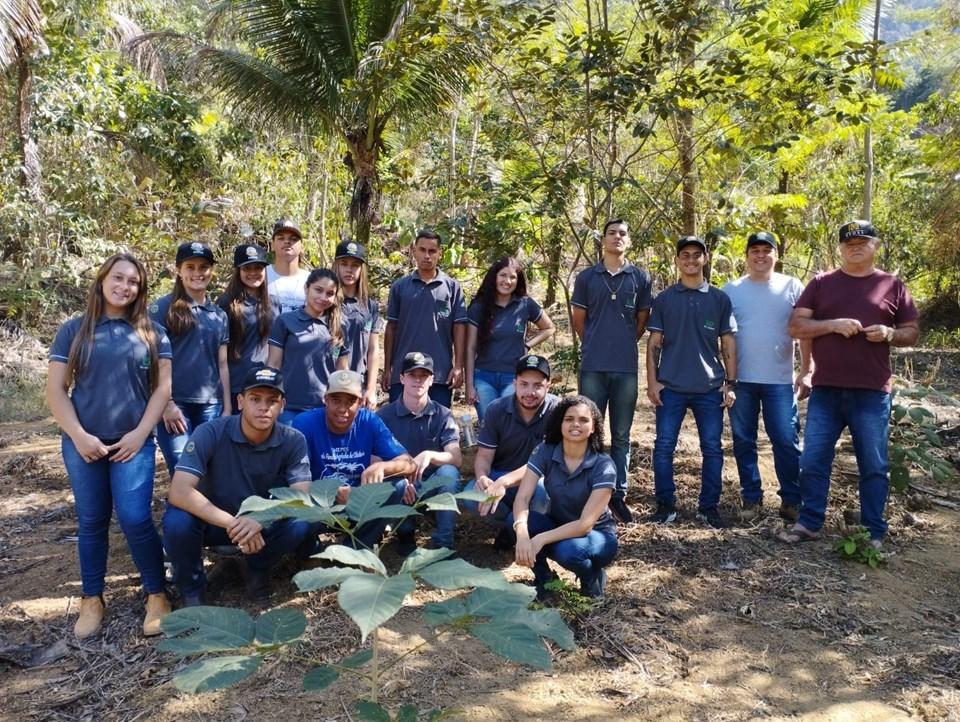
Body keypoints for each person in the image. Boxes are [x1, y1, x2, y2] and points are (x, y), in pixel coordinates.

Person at [47, 252, 172, 639]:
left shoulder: (153, 332)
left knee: (135, 518)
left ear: (141, 289)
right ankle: (91, 599)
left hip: (132, 444)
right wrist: (80, 436)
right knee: (91, 520)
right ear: (102, 281)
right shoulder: (74, 330)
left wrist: (140, 434)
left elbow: (163, 388)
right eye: (118, 278)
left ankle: (157, 595)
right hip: (83, 444)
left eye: (133, 282)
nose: (124, 287)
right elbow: (55, 390)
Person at [780, 220, 919, 548]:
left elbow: (911, 331)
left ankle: (873, 531)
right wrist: (832, 325)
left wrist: (889, 334)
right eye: (848, 242)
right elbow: (796, 326)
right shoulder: (822, 283)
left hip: (872, 391)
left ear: (876, 245)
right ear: (841, 248)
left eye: (863, 241)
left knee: (873, 464)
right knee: (813, 459)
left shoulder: (892, 285)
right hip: (827, 389)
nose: (855, 246)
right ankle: (810, 521)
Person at [163, 367, 320, 604]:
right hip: (213, 521)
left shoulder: (292, 440)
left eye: (272, 400)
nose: (263, 407)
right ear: (240, 401)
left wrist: (261, 519)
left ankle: (256, 566)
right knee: (177, 522)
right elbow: (179, 491)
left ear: (282, 405)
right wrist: (233, 523)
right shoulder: (211, 432)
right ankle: (192, 589)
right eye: (255, 399)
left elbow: (302, 494)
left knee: (302, 520)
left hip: (260, 523)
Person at [646, 235, 737, 529]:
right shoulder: (665, 299)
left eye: (696, 255)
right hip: (670, 387)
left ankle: (708, 507)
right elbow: (654, 342)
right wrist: (652, 381)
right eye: (684, 255)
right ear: (677, 261)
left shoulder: (719, 299)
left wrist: (731, 383)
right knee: (663, 448)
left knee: (712, 448)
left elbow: (727, 343)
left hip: (710, 389)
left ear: (705, 259)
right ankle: (665, 505)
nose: (690, 260)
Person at [722, 232, 810, 522]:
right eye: (755, 251)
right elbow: (721, 337)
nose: (760, 256)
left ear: (776, 255)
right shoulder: (731, 290)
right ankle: (751, 498)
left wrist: (807, 370)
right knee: (743, 439)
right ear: (746, 256)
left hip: (780, 380)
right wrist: (725, 377)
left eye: (766, 250)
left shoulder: (792, 286)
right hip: (741, 380)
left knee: (785, 439)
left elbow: (805, 330)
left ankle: (792, 500)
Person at [572, 219, 653, 524]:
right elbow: (580, 321)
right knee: (590, 431)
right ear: (602, 240)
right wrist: (596, 343)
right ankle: (587, 491)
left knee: (621, 435)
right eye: (612, 233)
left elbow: (641, 322)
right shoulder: (587, 278)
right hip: (593, 366)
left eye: (622, 233)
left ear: (628, 241)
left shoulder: (640, 278)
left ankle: (617, 495)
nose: (617, 237)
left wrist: (620, 342)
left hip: (625, 369)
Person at [293, 370, 417, 549]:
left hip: (360, 502)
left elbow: (409, 463)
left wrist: (383, 467)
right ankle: (309, 550)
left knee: (398, 485)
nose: (343, 409)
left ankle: (355, 548)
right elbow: (295, 479)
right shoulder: (305, 424)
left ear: (360, 403)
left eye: (350, 401)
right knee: (294, 509)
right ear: (325, 399)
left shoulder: (369, 422)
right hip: (319, 502)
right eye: (336, 400)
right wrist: (332, 493)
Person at [512, 395, 618, 600]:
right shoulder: (544, 451)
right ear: (560, 423)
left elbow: (585, 525)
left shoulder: (604, 465)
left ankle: (591, 579)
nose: (575, 424)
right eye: (569, 419)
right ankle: (544, 580)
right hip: (558, 523)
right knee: (515, 521)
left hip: (596, 535)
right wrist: (523, 533)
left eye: (584, 420)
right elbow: (522, 498)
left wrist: (540, 539)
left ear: (594, 427)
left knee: (569, 551)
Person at [151, 242, 231, 473]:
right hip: (176, 405)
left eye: (203, 267)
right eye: (190, 267)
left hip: (211, 405)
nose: (197, 273)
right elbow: (153, 360)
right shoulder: (162, 308)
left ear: (211, 271)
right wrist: (166, 405)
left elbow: (223, 364)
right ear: (179, 270)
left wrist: (226, 408)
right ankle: (182, 510)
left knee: (209, 467)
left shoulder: (218, 315)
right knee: (181, 468)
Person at [462, 355, 558, 541]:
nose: (530, 392)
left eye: (537, 385)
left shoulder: (557, 412)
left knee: (538, 488)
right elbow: (484, 456)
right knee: (472, 495)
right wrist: (482, 476)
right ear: (514, 383)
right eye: (524, 384)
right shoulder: (496, 409)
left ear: (549, 385)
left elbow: (542, 463)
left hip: (539, 478)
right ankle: (509, 527)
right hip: (501, 475)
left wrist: (504, 481)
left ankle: (530, 529)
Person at [377, 352, 462, 554]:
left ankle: (444, 541)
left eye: (423, 375)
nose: (418, 380)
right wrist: (399, 477)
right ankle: (405, 533)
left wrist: (430, 455)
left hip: (430, 483)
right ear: (402, 378)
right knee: (394, 486)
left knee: (449, 473)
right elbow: (375, 461)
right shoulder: (383, 416)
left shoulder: (443, 414)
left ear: (432, 380)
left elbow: (456, 457)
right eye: (412, 374)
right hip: (397, 485)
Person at [381, 230, 468, 408]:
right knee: (401, 425)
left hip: (440, 373)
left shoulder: (452, 287)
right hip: (403, 372)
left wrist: (458, 366)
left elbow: (459, 327)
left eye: (432, 251)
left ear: (440, 253)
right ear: (414, 251)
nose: (427, 256)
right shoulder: (400, 287)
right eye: (422, 250)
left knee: (437, 426)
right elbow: (391, 328)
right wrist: (388, 368)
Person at [465, 256, 555, 421]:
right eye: (503, 275)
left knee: (511, 422)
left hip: (513, 377)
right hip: (483, 376)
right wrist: (469, 385)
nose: (507, 281)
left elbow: (549, 328)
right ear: (494, 277)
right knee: (489, 423)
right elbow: (470, 348)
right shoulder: (479, 306)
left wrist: (527, 345)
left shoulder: (525, 304)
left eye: (513, 277)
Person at [267, 268, 349, 425]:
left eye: (330, 293)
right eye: (318, 290)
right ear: (306, 288)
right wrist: (273, 400)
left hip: (325, 408)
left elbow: (342, 371)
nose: (323, 297)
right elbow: (273, 365)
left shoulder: (339, 327)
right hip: (289, 408)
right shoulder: (285, 321)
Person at [217, 243, 281, 408]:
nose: (253, 273)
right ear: (238, 271)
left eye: (258, 268)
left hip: (266, 382)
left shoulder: (274, 302)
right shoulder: (226, 303)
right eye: (247, 268)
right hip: (236, 385)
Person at [334, 240, 381, 409]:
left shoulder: (370, 306)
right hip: (329, 383)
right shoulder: (326, 301)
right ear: (336, 266)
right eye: (344, 264)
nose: (349, 269)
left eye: (355, 265)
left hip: (358, 383)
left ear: (362, 269)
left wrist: (371, 388)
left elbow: (373, 349)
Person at [267, 218, 311, 314]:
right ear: (272, 245)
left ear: (302, 247)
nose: (287, 241)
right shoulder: (261, 276)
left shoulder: (311, 279)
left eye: (293, 239)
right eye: (281, 238)